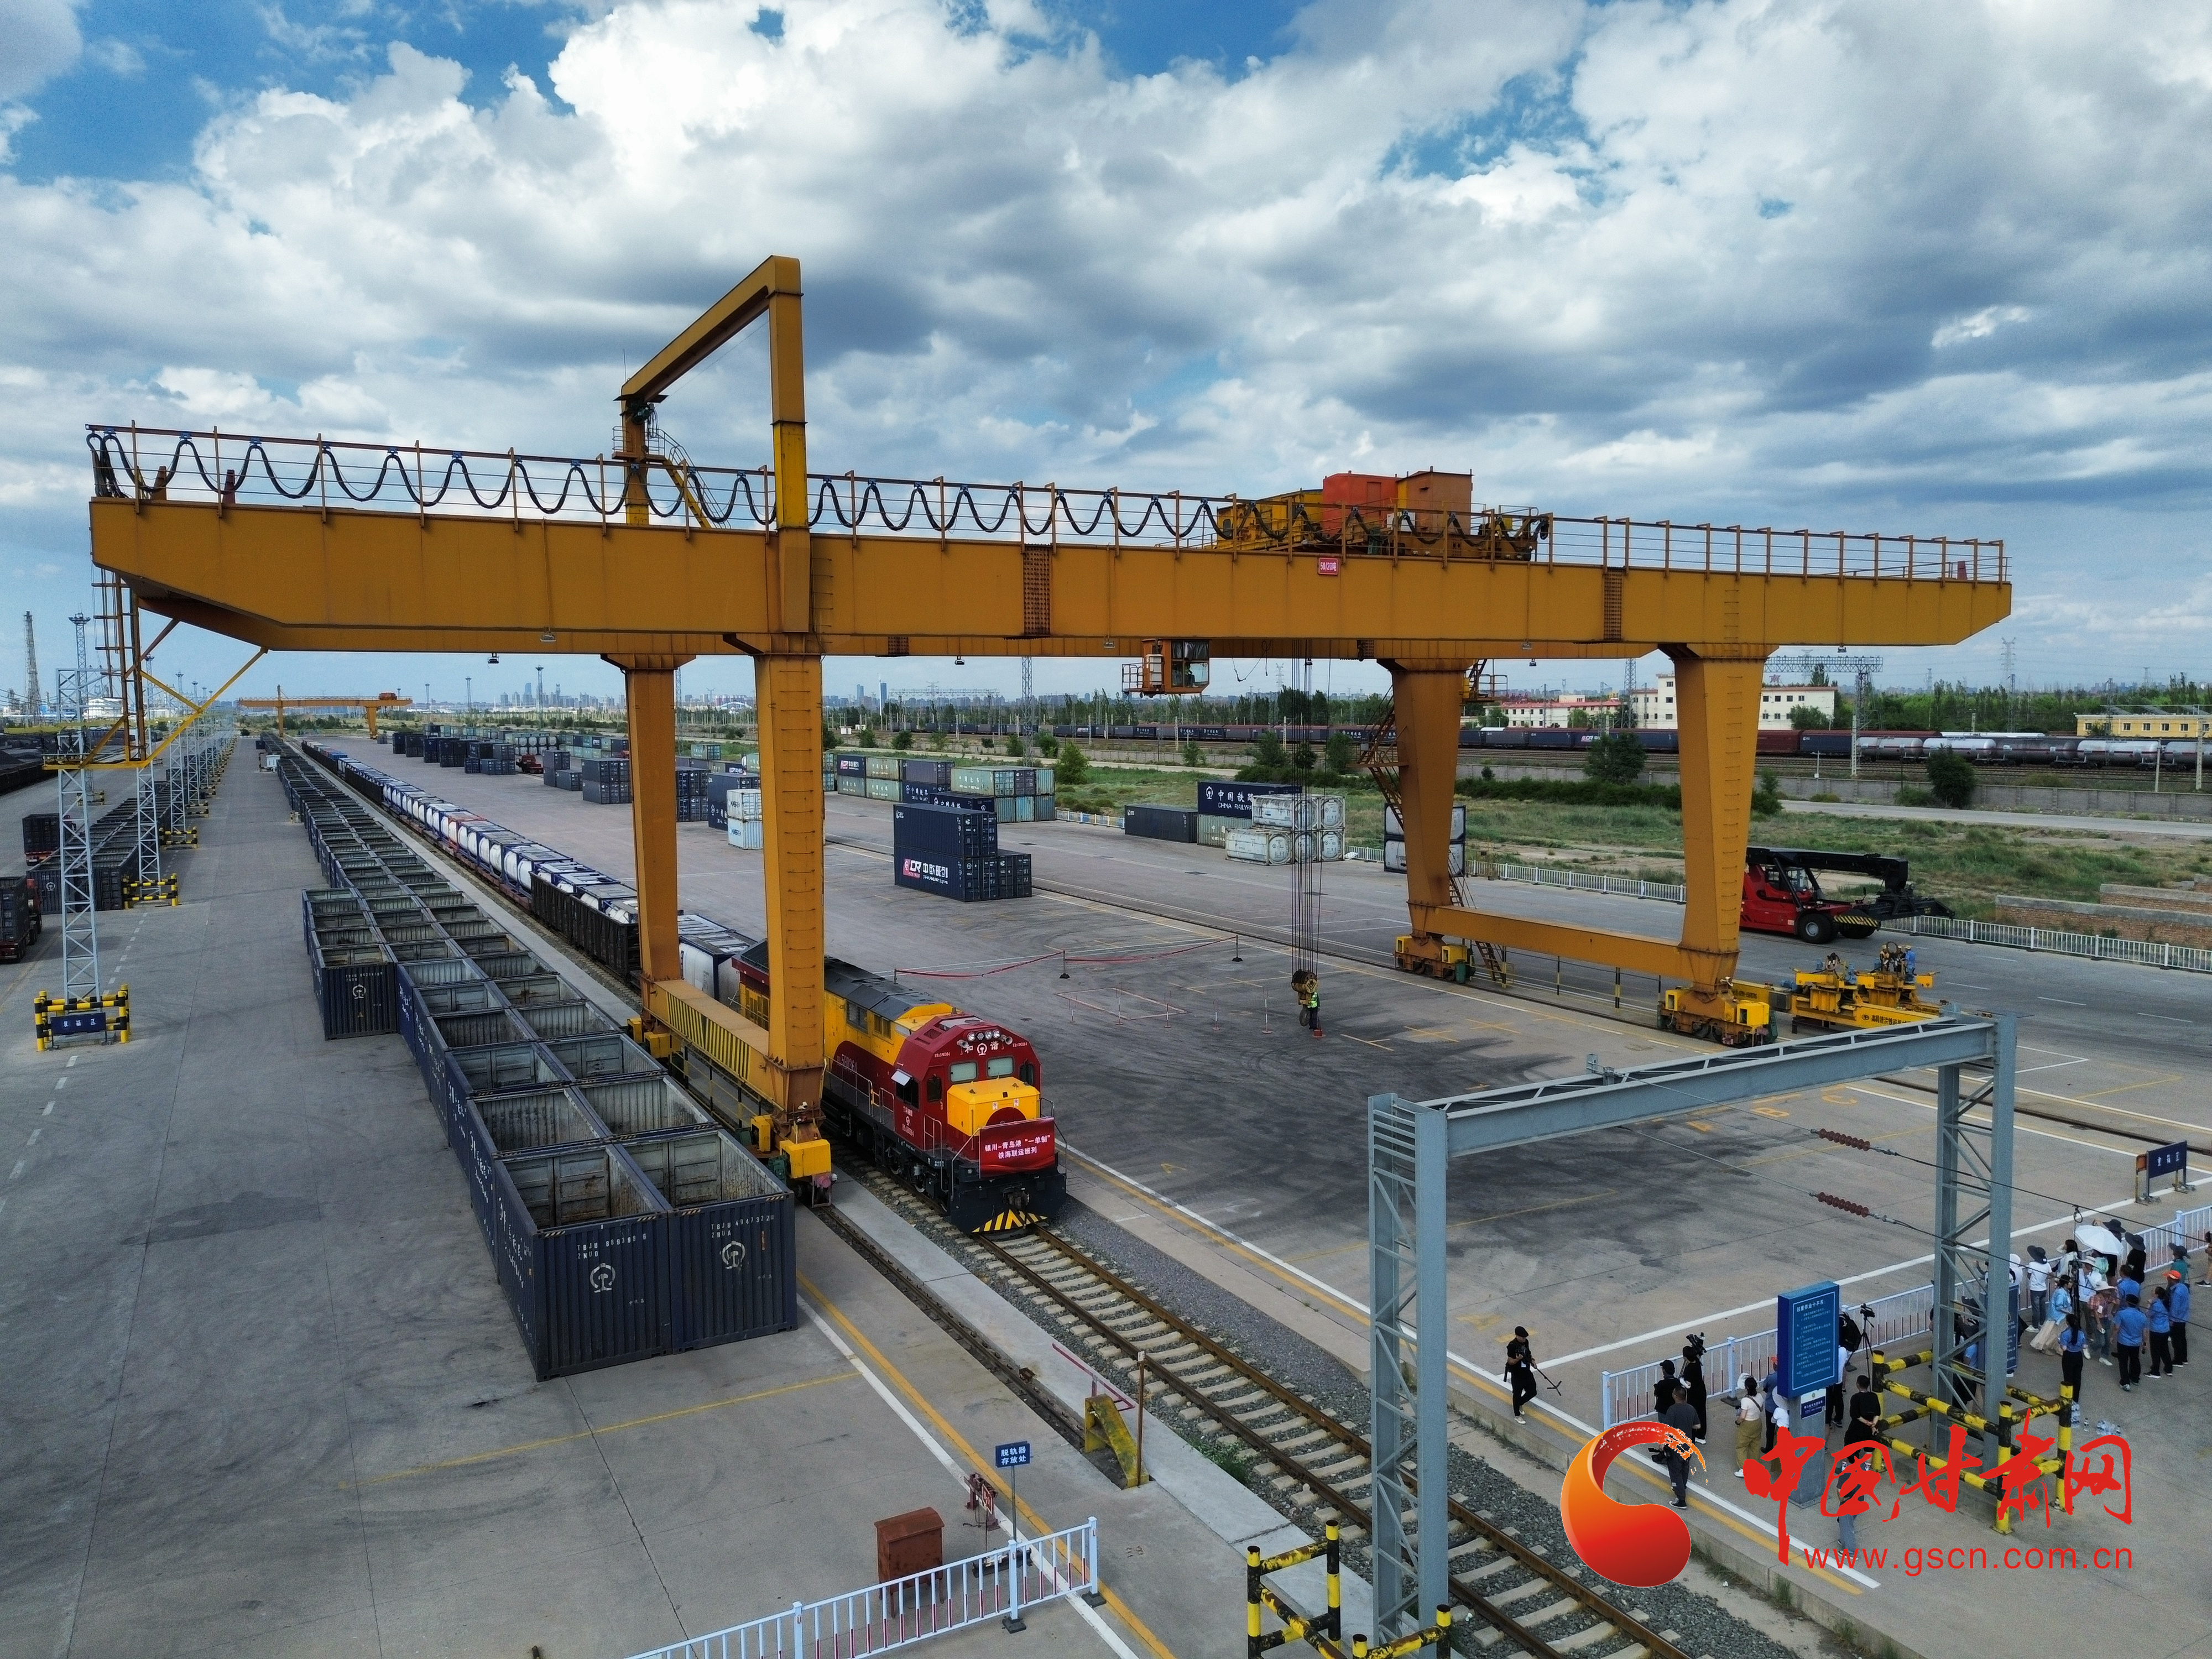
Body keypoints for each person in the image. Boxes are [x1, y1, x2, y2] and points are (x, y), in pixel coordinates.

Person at [1660, 1386, 1702, 1507]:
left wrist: (1662, 1444)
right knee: (1685, 1467)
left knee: (1675, 1471)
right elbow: (1698, 1426)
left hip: (1676, 1447)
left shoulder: (1672, 1410)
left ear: (1675, 1396)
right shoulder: (1691, 1408)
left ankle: (1681, 1498)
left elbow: (1668, 1430)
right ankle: (1682, 1486)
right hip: (1688, 1445)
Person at [2114, 1293, 2147, 1392]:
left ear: (2127, 1302)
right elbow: (2145, 1332)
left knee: (2123, 1362)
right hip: (2136, 1342)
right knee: (2135, 1359)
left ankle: (2125, 1382)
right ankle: (2135, 1378)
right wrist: (2145, 1343)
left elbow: (2117, 1328)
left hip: (2123, 1342)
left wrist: (2112, 1337)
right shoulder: (2143, 1316)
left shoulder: (2121, 1313)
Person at [1734, 1376, 1765, 1478]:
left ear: (1746, 1387)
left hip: (1747, 1425)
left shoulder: (1745, 1400)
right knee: (1755, 1445)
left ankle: (1743, 1469)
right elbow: (1761, 1409)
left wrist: (1738, 1422)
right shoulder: (1760, 1396)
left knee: (1741, 1446)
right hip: (1757, 1423)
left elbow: (1742, 1416)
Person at [1505, 1327, 1537, 1421]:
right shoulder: (1512, 1346)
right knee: (1517, 1394)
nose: (1524, 1339)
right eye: (1522, 1337)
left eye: (1525, 1337)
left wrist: (1532, 1361)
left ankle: (1520, 1403)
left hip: (1526, 1371)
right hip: (1517, 1374)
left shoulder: (1526, 1342)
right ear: (1517, 1336)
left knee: (1533, 1391)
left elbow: (1529, 1353)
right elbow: (1510, 1361)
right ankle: (1517, 1415)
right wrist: (1518, 1359)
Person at [1682, 1336, 1709, 1442]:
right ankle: (1701, 1436)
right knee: (1702, 1413)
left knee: (1693, 1415)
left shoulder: (1689, 1369)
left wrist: (1681, 1381)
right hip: (1701, 1390)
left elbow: (1688, 1385)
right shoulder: (1697, 1362)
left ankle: (1692, 1436)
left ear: (1685, 1357)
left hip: (1694, 1394)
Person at [2058, 1312, 2087, 1407]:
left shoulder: (2065, 1334)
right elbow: (2084, 1346)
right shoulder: (2081, 1333)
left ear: (2067, 1323)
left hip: (2068, 1356)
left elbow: (2064, 1348)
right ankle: (2076, 1399)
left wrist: (2060, 1342)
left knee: (2068, 1377)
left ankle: (2068, 1398)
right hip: (2078, 1356)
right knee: (2077, 1378)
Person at [2147, 1285, 2174, 1379]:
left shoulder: (2156, 1305)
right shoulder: (2166, 1302)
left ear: (2157, 1295)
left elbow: (2149, 1314)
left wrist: (2150, 1305)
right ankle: (2169, 1368)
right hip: (2165, 1329)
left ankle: (2155, 1371)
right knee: (2165, 1349)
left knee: (2155, 1351)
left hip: (2156, 1330)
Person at [2169, 1271, 2190, 1366]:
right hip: (2184, 1317)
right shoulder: (2184, 1287)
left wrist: (2171, 1320)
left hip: (2177, 1320)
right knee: (2182, 1339)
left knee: (2176, 1340)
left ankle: (2178, 1360)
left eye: (2169, 1278)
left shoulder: (2177, 1292)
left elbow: (2175, 1308)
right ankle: (2184, 1358)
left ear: (2172, 1279)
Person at [2027, 1251, 2052, 1327]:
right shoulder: (2047, 1264)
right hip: (2043, 1289)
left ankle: (2035, 1326)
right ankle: (2042, 1323)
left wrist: (2034, 1279)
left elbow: (2029, 1275)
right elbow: (2052, 1275)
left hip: (2035, 1289)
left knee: (2036, 1308)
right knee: (2043, 1307)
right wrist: (2044, 1278)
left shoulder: (2032, 1264)